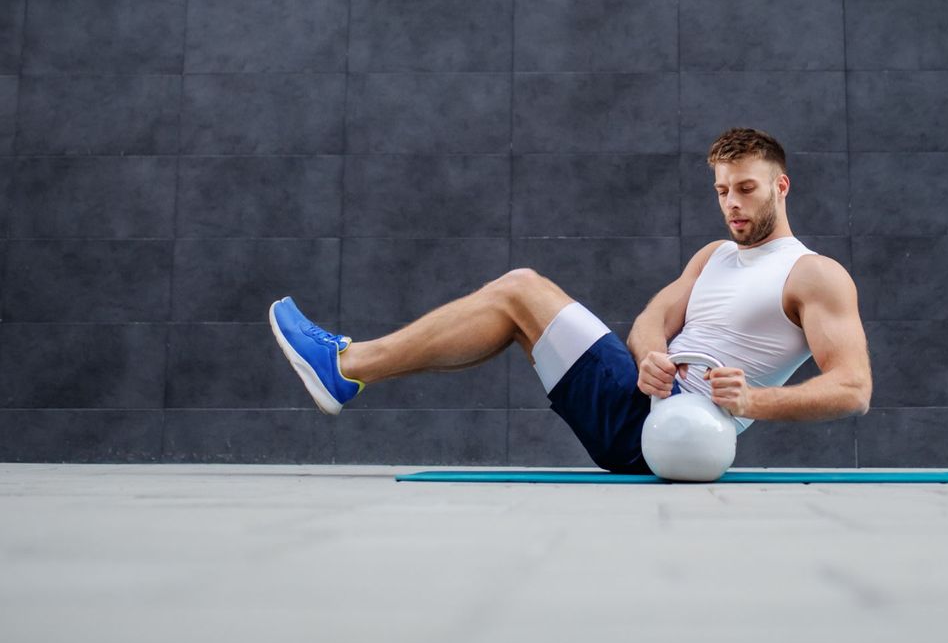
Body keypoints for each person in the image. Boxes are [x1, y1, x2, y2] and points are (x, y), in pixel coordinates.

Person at [269, 127, 872, 474]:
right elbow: (649, 321)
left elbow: (853, 389)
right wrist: (652, 354)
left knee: (520, 288)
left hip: (677, 435)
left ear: (780, 185)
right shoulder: (712, 256)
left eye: (745, 188)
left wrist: (756, 401)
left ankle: (347, 366)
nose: (732, 203)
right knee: (515, 301)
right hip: (639, 404)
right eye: (722, 191)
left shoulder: (813, 275)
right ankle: (346, 371)